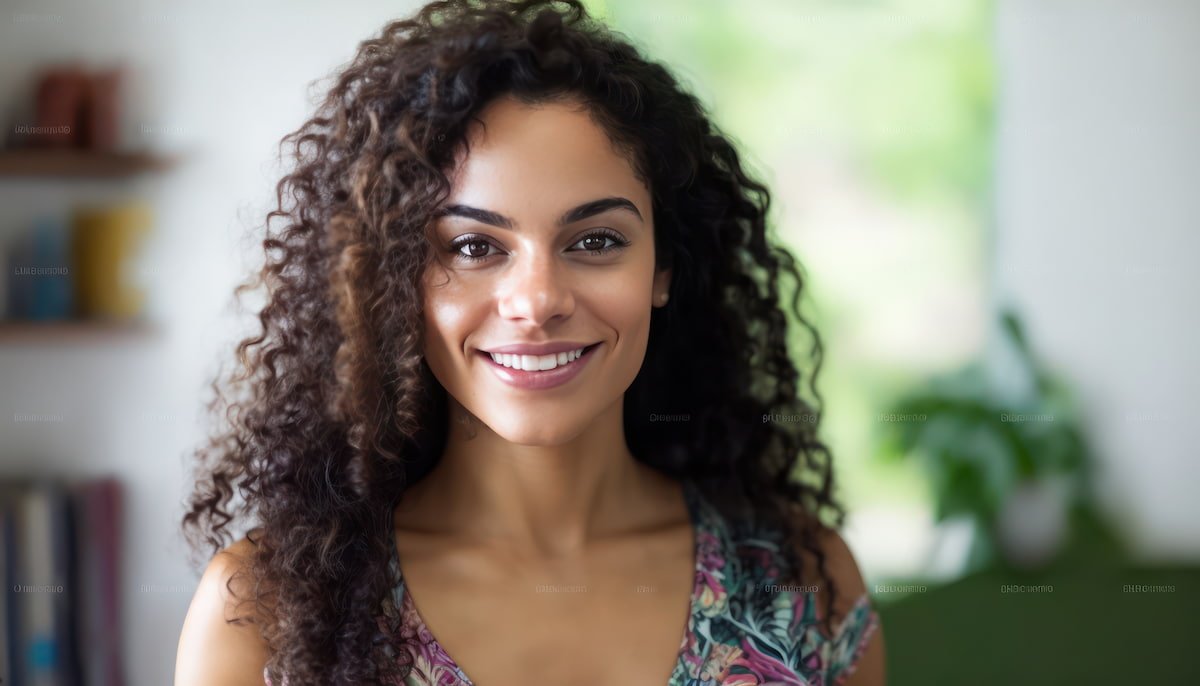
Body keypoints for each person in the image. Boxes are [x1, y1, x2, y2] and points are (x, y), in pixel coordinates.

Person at [175, 1, 885, 684]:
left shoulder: (805, 585)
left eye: (596, 241)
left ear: (662, 268)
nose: (538, 300)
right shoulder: (265, 615)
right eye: (476, 246)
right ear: (394, 280)